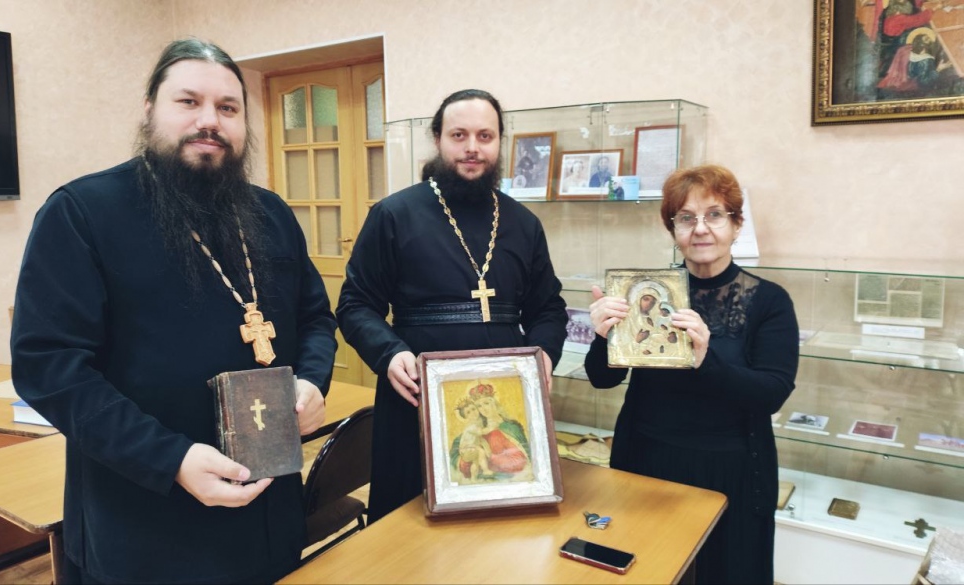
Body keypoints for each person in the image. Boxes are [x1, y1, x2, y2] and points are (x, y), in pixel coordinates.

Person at [10, 39, 338, 584]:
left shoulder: (271, 214)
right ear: (149, 110)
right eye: (188, 102)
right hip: (145, 521)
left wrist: (311, 380)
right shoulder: (83, 212)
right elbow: (49, 367)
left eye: (228, 108)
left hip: (268, 514)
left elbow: (316, 320)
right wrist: (170, 459)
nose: (209, 120)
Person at [336, 88, 568, 522]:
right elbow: (356, 304)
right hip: (415, 395)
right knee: (406, 527)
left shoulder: (523, 223)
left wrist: (544, 356)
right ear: (438, 139)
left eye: (485, 136)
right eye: (459, 135)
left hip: (504, 399)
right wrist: (389, 353)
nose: (472, 147)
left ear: (499, 142)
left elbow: (548, 309)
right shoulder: (394, 215)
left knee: (499, 518)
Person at [584, 164, 798, 584]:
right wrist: (603, 336)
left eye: (715, 215)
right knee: (646, 571)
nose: (700, 229)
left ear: (737, 225)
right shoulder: (645, 291)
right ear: (673, 229)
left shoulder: (769, 301)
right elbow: (602, 379)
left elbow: (771, 393)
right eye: (686, 218)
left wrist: (705, 359)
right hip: (645, 462)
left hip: (730, 473)